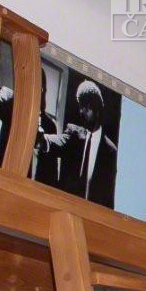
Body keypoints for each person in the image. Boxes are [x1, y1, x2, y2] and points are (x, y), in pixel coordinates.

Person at [37, 79, 118, 207]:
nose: (81, 111)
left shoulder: (110, 151)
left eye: (85, 107)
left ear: (96, 108)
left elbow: (109, 194)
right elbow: (58, 141)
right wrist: (41, 138)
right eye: (80, 106)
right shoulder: (73, 134)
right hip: (66, 208)